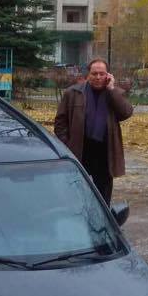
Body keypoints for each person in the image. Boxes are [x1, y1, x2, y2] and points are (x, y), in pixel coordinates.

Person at [53, 58, 134, 204]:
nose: (98, 77)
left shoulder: (114, 93)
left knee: (103, 195)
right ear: (88, 75)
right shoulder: (73, 93)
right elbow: (60, 122)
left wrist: (112, 90)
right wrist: (67, 144)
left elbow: (126, 113)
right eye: (94, 73)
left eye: (102, 74)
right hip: (80, 149)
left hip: (104, 151)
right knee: (77, 191)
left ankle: (102, 222)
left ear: (108, 75)